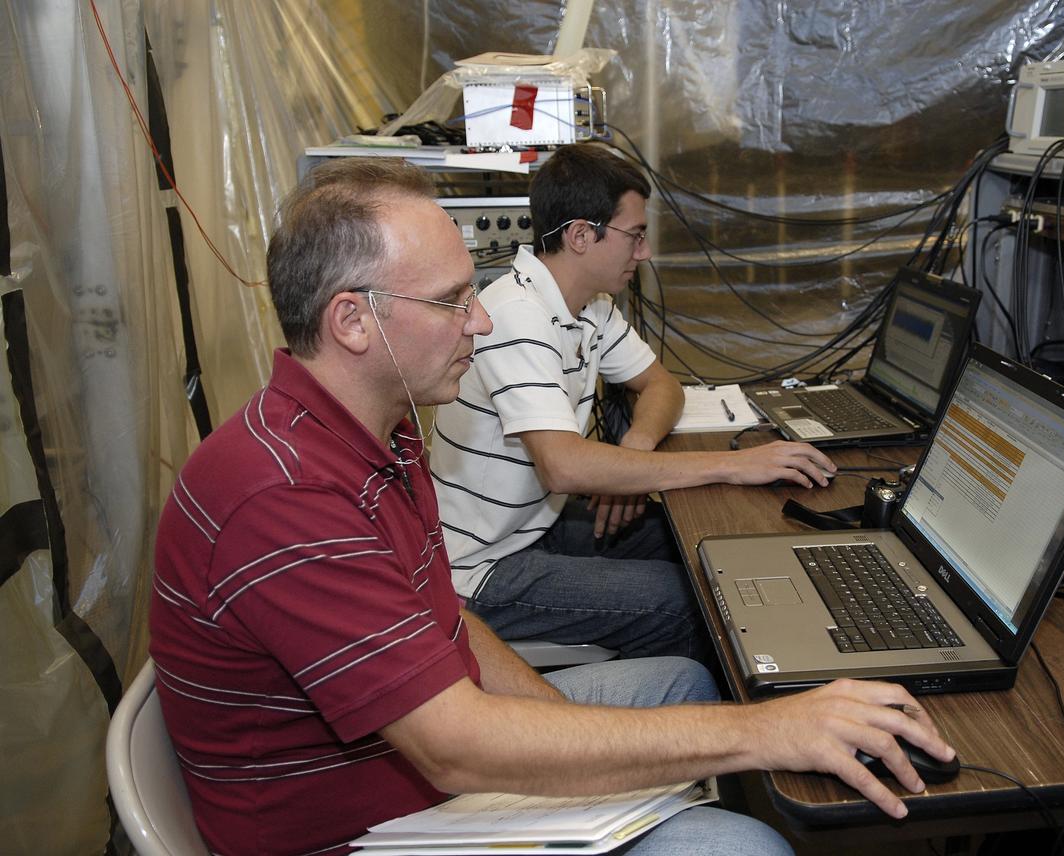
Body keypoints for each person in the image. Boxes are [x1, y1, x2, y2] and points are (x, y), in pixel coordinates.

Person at [148, 157, 953, 856]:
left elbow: (445, 620)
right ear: (353, 322)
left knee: (680, 683)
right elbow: (453, 751)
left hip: (414, 772)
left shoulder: (377, 436)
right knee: (742, 844)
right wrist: (767, 731)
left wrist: (567, 735)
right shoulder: (282, 496)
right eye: (452, 300)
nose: (482, 319)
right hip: (359, 834)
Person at [430, 143, 836, 659]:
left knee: (708, 553)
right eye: (635, 236)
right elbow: (563, 468)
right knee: (702, 604)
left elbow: (662, 385)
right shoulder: (514, 315)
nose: (643, 253)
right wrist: (735, 466)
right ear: (581, 235)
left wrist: (637, 448)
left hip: (534, 527)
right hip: (480, 568)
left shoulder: (589, 308)